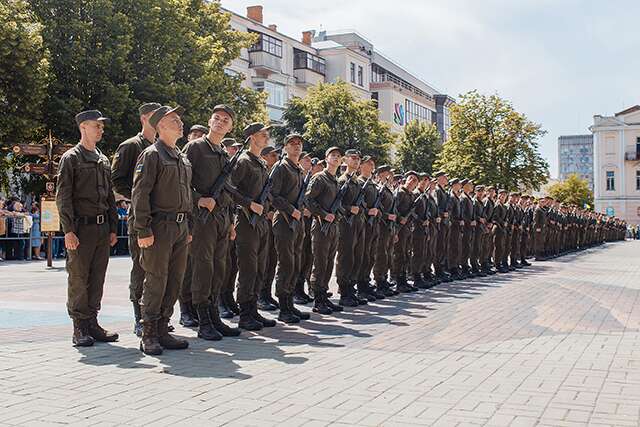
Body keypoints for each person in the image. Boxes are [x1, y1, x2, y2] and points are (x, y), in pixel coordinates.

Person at [132, 105, 192, 355]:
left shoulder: (181, 156)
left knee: (175, 279)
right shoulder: (152, 154)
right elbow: (140, 194)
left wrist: (189, 226)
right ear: (160, 126)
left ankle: (163, 327)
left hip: (180, 226)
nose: (180, 123)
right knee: (156, 279)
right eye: (174, 120)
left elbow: (188, 193)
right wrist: (143, 229)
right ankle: (148, 333)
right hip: (159, 226)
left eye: (179, 119)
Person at [56, 109, 119, 347]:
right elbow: (64, 197)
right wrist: (68, 230)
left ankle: (92, 322)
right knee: (79, 278)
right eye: (96, 125)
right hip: (81, 230)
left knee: (97, 278)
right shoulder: (71, 158)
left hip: (102, 230)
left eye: (102, 126)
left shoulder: (103, 159)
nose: (101, 129)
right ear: (83, 127)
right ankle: (79, 327)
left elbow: (109, 197)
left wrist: (113, 226)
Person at [183, 105, 241, 340]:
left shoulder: (223, 153)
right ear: (209, 121)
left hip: (222, 219)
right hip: (202, 220)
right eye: (216, 118)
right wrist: (199, 199)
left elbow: (228, 191)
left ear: (230, 127)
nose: (220, 122)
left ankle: (214, 315)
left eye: (225, 120)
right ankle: (203, 320)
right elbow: (181, 181)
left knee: (220, 267)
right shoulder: (195, 148)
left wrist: (231, 221)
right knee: (203, 267)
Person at [111, 102, 161, 337]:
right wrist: (138, 199)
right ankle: (139, 318)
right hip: (141, 217)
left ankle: (155, 316)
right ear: (143, 118)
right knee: (141, 268)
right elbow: (118, 180)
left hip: (160, 218)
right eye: (153, 116)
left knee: (159, 269)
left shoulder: (163, 147)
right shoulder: (131, 146)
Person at [230, 123, 277, 331]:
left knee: (260, 267)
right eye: (262, 135)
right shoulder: (243, 161)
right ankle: (245, 314)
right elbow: (230, 190)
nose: (266, 138)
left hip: (261, 223)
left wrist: (266, 207)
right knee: (248, 269)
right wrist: (250, 204)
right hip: (246, 222)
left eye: (267, 135)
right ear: (251, 137)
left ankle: (254, 308)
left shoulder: (261, 163)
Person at [269, 134, 311, 323]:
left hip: (297, 220)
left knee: (295, 262)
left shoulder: (299, 170)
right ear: (285, 147)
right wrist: (290, 210)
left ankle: (291, 302)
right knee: (286, 263)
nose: (296, 147)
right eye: (292, 143)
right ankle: (284, 308)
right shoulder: (281, 167)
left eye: (299, 144)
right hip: (285, 220)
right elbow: (272, 194)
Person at [305, 147, 345, 315]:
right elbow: (308, 199)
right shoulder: (319, 178)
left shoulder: (335, 181)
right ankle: (318, 299)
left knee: (329, 262)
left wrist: (338, 215)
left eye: (338, 156)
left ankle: (324, 295)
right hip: (321, 226)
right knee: (320, 262)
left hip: (333, 227)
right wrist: (323, 214)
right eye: (333, 155)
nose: (336, 158)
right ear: (326, 158)